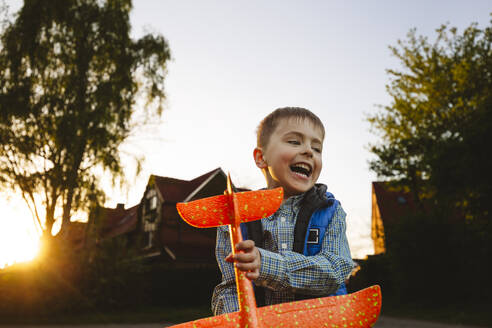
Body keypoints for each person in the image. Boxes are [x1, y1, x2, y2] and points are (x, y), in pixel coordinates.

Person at [211, 107, 356, 315]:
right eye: (295, 142)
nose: (308, 151)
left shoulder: (330, 210)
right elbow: (230, 288)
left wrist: (266, 264)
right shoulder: (237, 218)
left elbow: (336, 270)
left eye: (317, 148)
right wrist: (238, 318)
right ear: (261, 158)